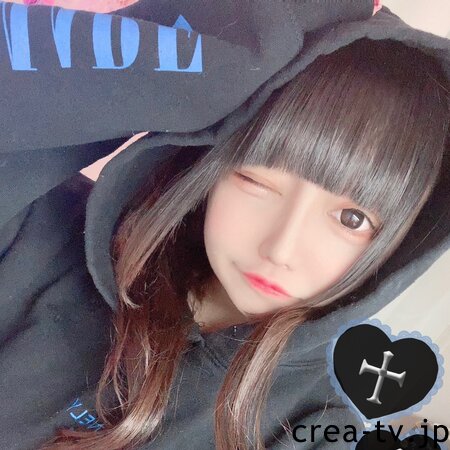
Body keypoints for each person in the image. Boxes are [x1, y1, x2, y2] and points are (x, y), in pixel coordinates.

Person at [0, 2, 448, 450]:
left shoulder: (316, 425)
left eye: (351, 219)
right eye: (257, 182)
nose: (281, 248)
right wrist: (192, 47)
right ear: (209, 166)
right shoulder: (37, 233)